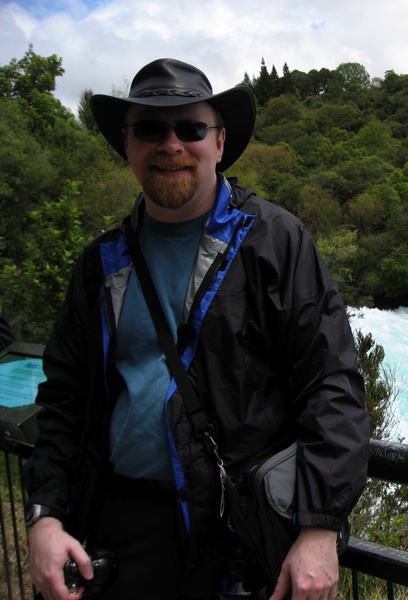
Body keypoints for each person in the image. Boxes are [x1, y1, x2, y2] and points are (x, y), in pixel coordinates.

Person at [22, 58, 370, 600]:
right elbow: (66, 397)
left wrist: (319, 526)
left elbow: (331, 383)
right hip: (114, 530)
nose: (171, 144)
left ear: (220, 142)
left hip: (236, 539)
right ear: (128, 143)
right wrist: (45, 518)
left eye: (191, 128)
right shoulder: (101, 262)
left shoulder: (274, 242)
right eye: (150, 129)